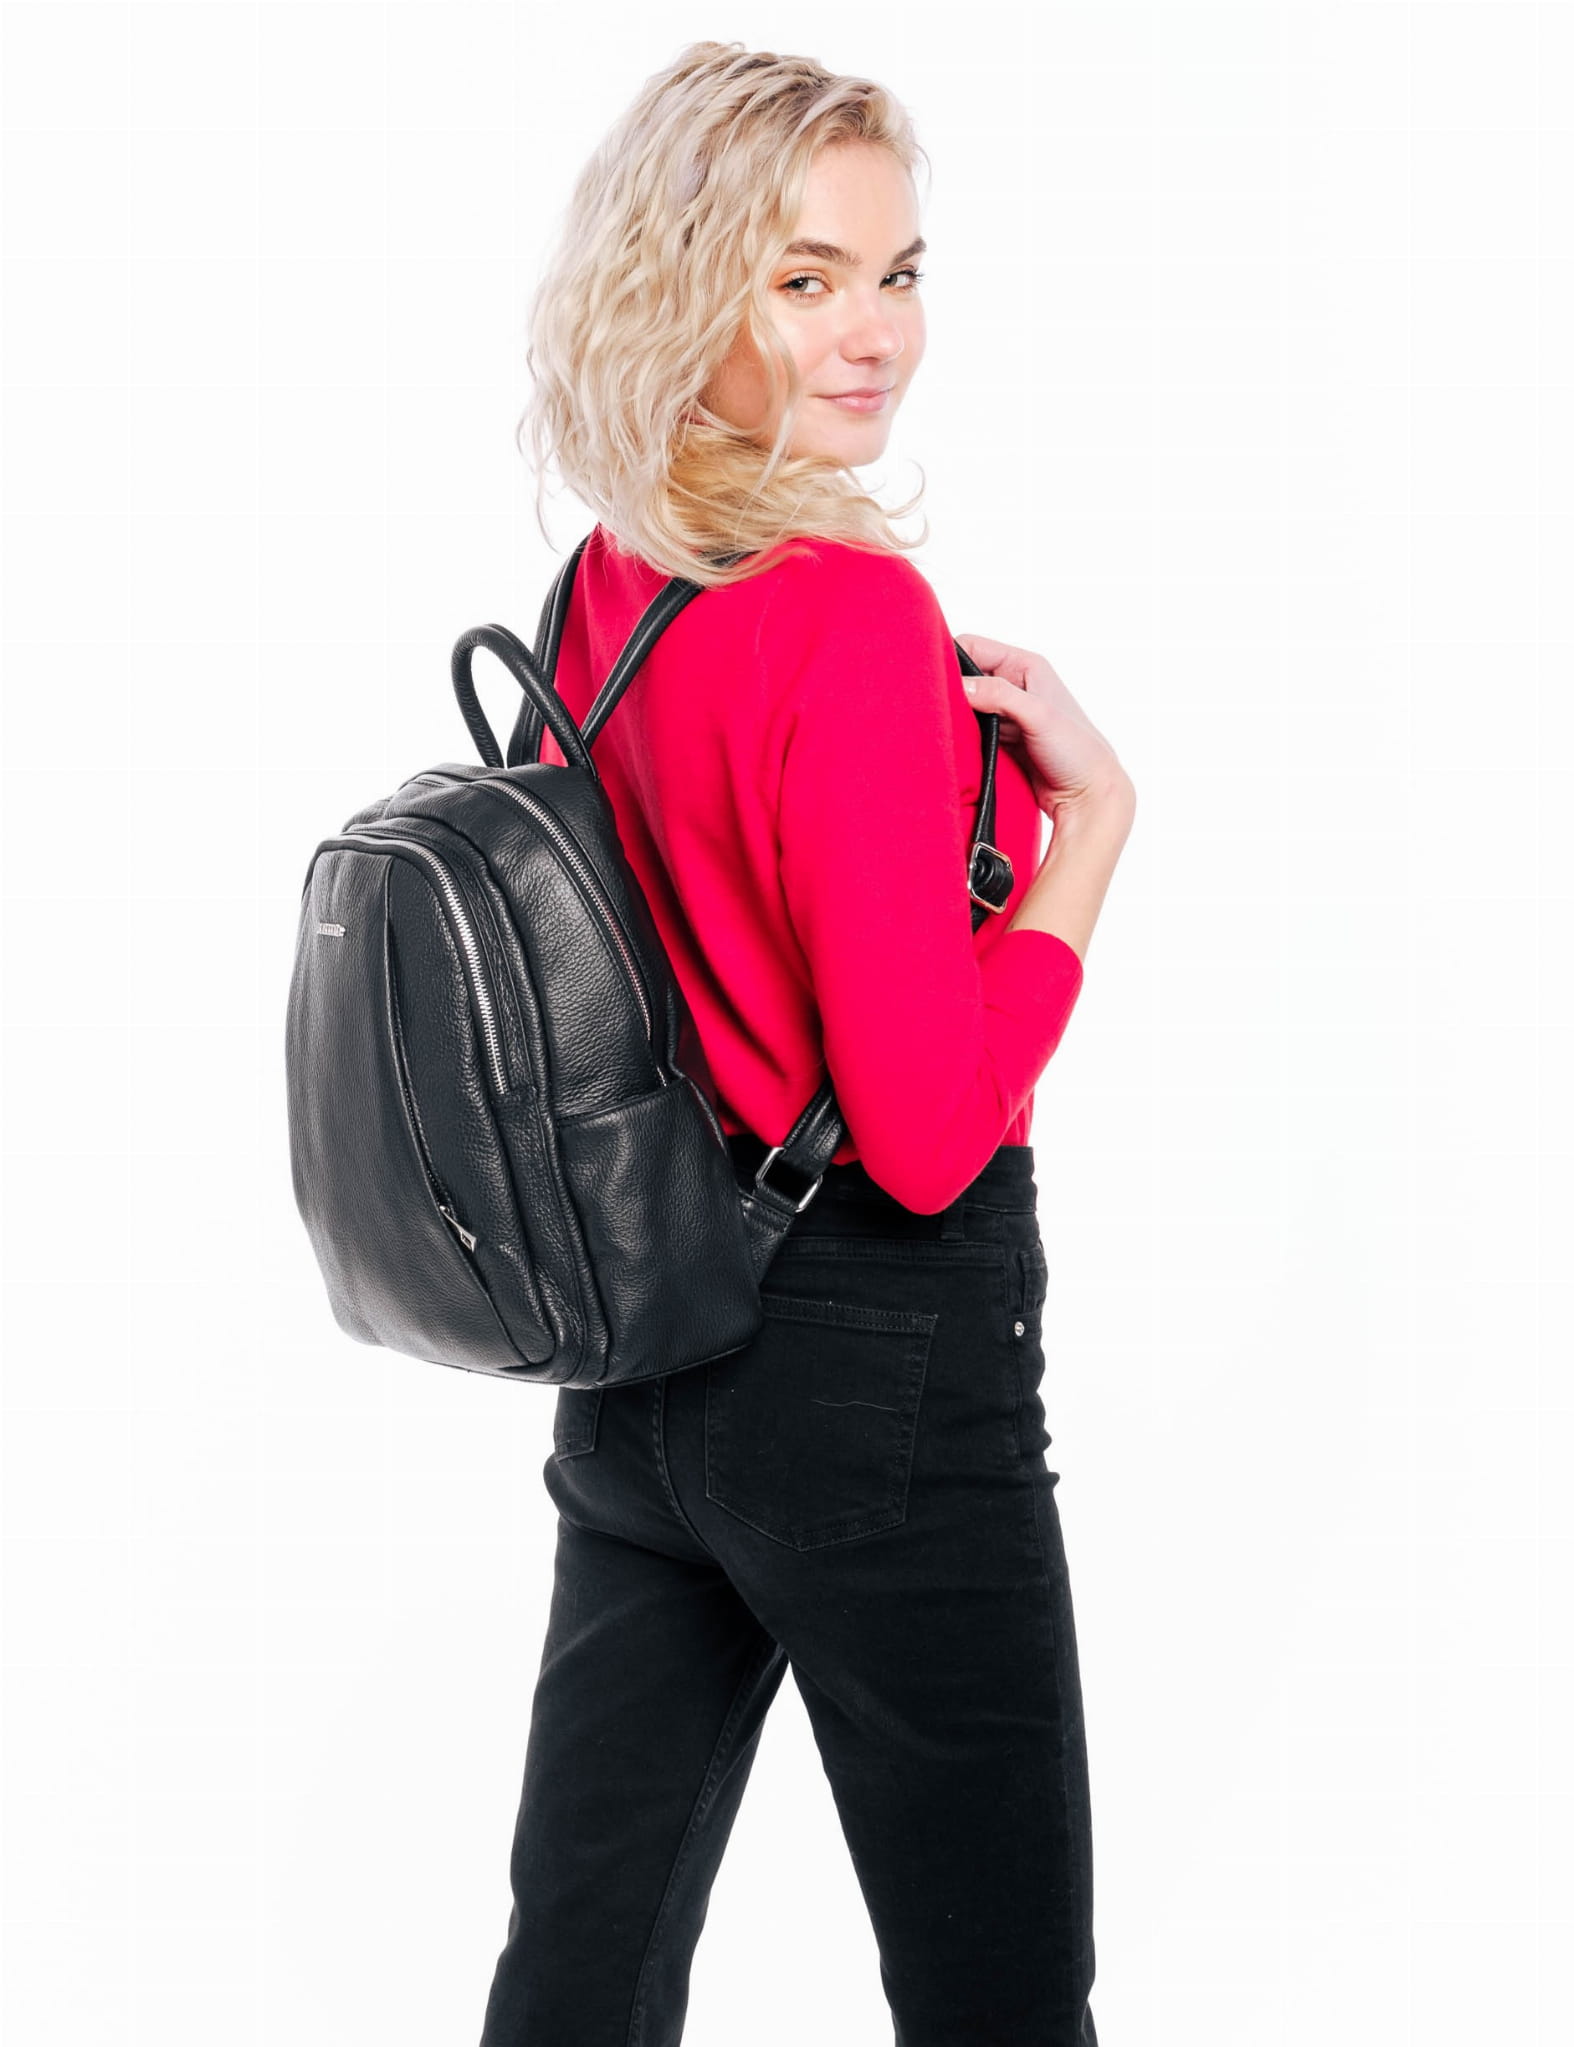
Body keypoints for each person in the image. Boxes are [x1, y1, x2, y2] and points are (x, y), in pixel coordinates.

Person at [477, 40, 1135, 2047]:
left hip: (638, 1342)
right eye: (803, 278)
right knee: (997, 1991)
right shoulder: (844, 613)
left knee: (581, 1963)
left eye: (899, 271)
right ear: (680, 289)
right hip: (873, 1365)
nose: (876, 334)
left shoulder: (610, 582)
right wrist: (1087, 839)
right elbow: (925, 1134)